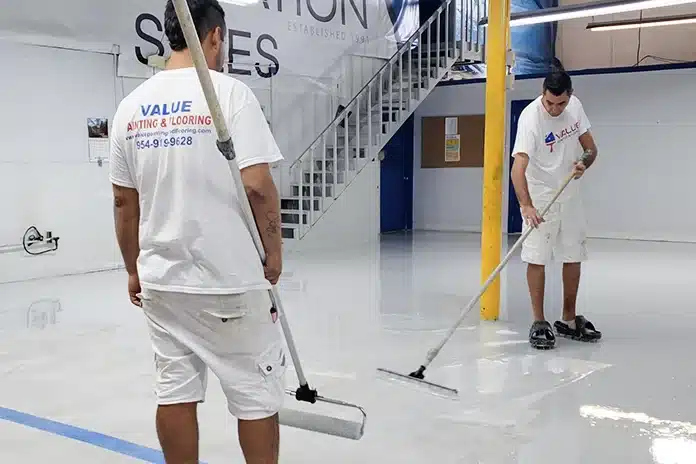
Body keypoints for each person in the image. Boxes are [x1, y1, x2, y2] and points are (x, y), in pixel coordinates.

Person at [109, 0, 286, 462]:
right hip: (230, 280)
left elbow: (124, 203)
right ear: (214, 37)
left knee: (175, 392)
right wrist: (274, 252)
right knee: (255, 393)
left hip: (163, 281)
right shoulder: (230, 95)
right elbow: (258, 186)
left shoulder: (130, 108)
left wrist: (133, 270)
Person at [510, 59, 602, 350]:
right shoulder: (530, 118)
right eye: (550, 102)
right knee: (537, 257)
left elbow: (591, 149)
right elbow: (517, 169)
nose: (554, 109)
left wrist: (583, 164)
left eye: (560, 103)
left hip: (569, 193)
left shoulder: (575, 108)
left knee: (573, 254)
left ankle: (568, 319)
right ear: (542, 93)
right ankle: (539, 321)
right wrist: (526, 206)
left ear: (570, 96)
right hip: (539, 196)